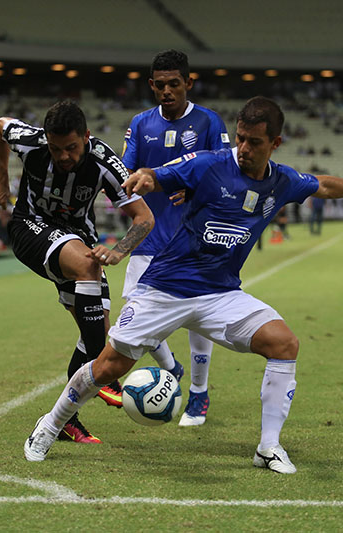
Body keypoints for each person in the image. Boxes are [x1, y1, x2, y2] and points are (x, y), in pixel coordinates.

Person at [23, 97, 343, 473]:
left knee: (284, 343)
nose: (245, 149)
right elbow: (160, 175)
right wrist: (145, 178)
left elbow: (322, 186)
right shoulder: (210, 164)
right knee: (108, 366)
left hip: (220, 295)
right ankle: (51, 424)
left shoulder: (281, 180)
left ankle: (268, 447)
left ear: (275, 143)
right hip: (165, 289)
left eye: (254, 142)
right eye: (240, 139)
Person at [0, 101, 153, 444]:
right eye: (56, 149)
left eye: (71, 148)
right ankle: (102, 375)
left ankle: (65, 419)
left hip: (78, 237)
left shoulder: (105, 163)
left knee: (95, 327)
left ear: (87, 137)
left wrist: (120, 250)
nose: (63, 156)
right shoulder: (32, 141)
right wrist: (0, 177)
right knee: (87, 267)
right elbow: (1, 125)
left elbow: (144, 218)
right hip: (30, 227)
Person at [121, 49, 230, 426]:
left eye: (174, 84)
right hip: (148, 234)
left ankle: (199, 394)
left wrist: (197, 188)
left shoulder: (208, 121)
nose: (167, 91)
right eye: (160, 85)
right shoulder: (140, 123)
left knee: (197, 318)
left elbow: (224, 171)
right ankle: (171, 368)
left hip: (192, 236)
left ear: (188, 83)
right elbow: (128, 172)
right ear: (152, 85)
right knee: (132, 315)